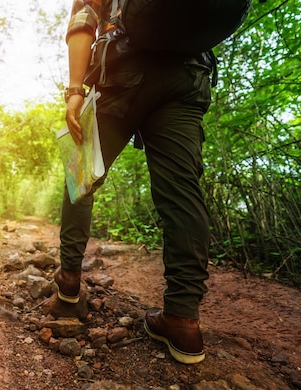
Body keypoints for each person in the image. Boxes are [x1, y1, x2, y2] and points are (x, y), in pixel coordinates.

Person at [55, 0, 213, 364]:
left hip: (121, 75)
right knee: (183, 192)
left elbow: (83, 22)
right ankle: (183, 318)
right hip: (186, 76)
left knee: (82, 173)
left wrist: (75, 91)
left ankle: (68, 280)